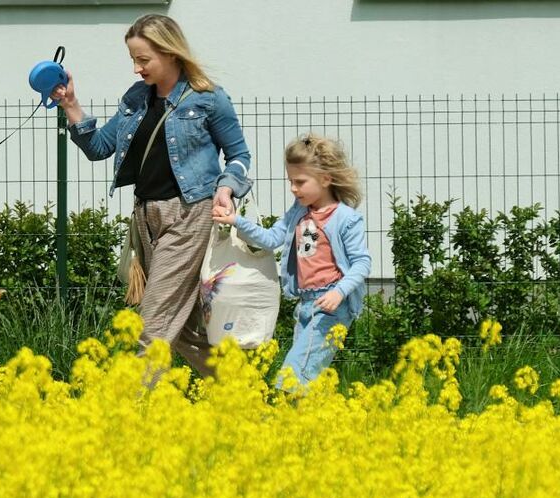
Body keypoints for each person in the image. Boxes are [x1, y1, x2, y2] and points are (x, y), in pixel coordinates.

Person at [52, 14, 252, 378]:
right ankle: (241, 394)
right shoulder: (135, 100)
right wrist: (71, 105)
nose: (136, 68)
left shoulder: (207, 99)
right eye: (133, 59)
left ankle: (133, 411)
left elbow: (239, 156)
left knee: (154, 321)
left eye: (143, 60)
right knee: (185, 330)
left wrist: (226, 187)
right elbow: (99, 147)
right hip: (146, 220)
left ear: (170, 53)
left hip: (189, 216)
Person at [211, 133, 371, 387]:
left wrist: (339, 293)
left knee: (293, 375)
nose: (293, 188)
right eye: (290, 181)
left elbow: (362, 263)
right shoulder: (299, 212)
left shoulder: (345, 218)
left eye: (300, 182)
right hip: (305, 304)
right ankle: (309, 422)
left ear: (326, 179)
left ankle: (284, 418)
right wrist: (236, 221)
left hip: (331, 306)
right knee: (307, 374)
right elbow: (271, 238)